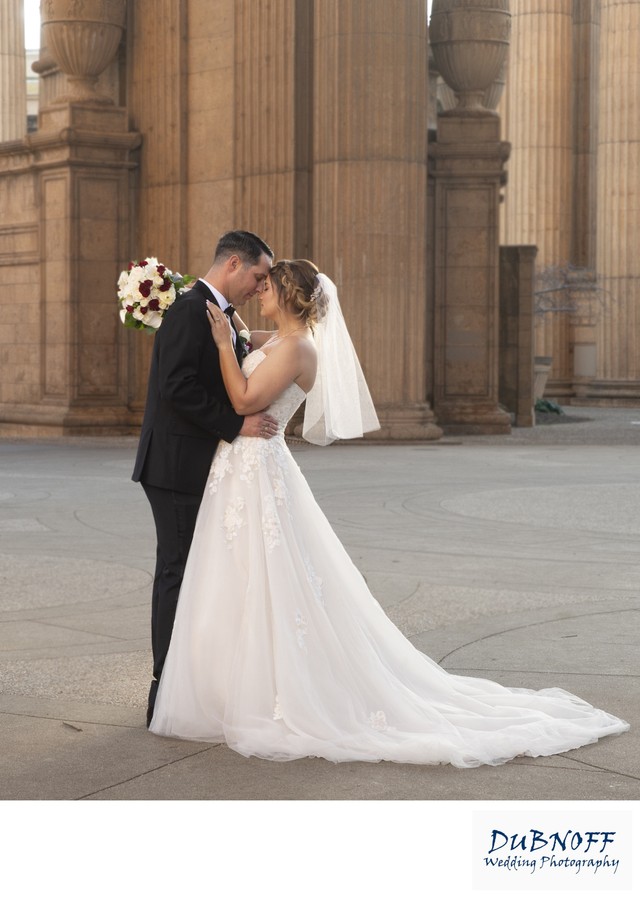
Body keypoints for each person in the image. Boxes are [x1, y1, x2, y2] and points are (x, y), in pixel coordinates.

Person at [149, 260, 629, 766]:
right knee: (232, 576)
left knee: (271, 578)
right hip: (239, 471)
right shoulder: (278, 338)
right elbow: (247, 335)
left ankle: (277, 691)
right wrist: (192, 302)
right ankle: (225, 686)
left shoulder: (299, 349)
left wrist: (225, 346)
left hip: (258, 468)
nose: (259, 292)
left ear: (289, 295)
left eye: (267, 287)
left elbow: (245, 395)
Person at [133, 230, 279, 727]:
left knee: (193, 572)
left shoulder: (216, 312)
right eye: (258, 277)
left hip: (194, 462)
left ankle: (186, 686)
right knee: (176, 571)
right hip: (174, 465)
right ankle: (164, 688)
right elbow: (176, 386)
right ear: (233, 264)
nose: (259, 289)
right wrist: (236, 424)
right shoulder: (192, 309)